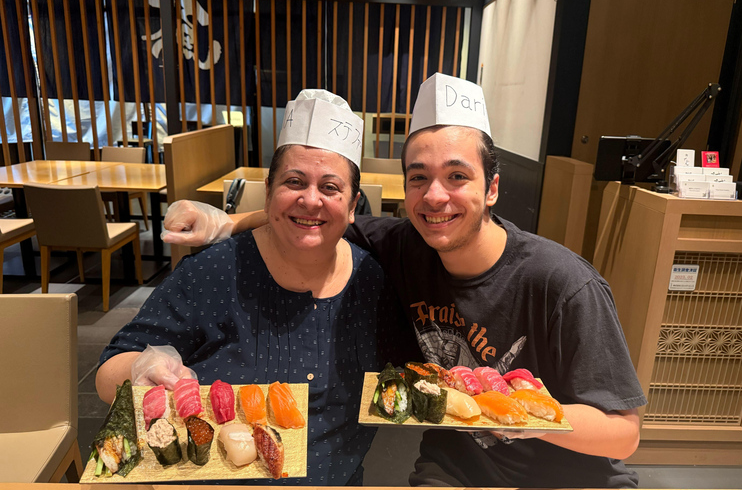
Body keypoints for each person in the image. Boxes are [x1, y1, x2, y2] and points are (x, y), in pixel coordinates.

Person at [162, 73, 647, 488]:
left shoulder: (562, 283)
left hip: (566, 475)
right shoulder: (404, 244)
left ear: (492, 188)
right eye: (419, 178)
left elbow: (624, 433)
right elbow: (318, 216)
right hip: (458, 466)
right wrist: (225, 223)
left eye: (457, 176)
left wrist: (524, 418)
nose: (435, 196)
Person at [95, 89, 417, 486]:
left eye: (330, 188)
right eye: (294, 181)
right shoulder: (213, 271)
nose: (310, 200)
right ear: (268, 193)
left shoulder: (373, 280)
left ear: (353, 206)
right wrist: (142, 369)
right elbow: (108, 373)